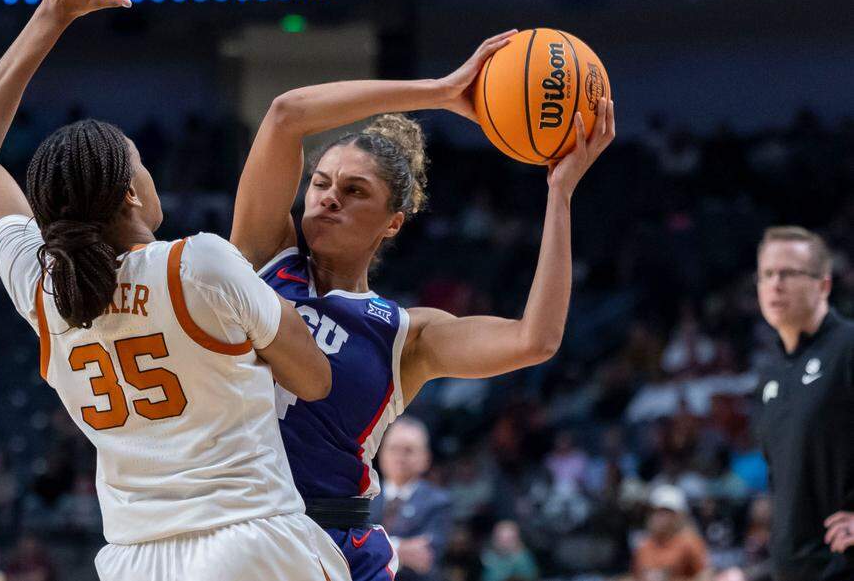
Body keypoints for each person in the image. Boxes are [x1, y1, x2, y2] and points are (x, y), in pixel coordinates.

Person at [0, 0, 347, 579]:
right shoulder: (198, 263)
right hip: (246, 540)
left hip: (134, 560)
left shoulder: (44, 290)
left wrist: (49, 17)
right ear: (131, 192)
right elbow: (315, 379)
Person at [230, 31, 616, 579]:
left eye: (355, 190)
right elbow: (285, 114)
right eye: (320, 183)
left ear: (392, 223)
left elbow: (536, 339)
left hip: (333, 544)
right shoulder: (264, 257)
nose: (329, 197)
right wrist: (439, 92)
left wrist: (560, 194)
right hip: (237, 533)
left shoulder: (406, 336)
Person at [745, 227, 853, 581]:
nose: (775, 285)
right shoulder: (771, 375)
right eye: (767, 274)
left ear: (823, 285)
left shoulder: (848, 348)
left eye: (789, 273)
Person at [369, 417, 450, 580]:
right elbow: (347, 546)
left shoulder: (439, 502)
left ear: (426, 458)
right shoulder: (363, 497)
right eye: (393, 448)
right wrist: (399, 549)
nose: (400, 457)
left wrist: (368, 547)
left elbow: (425, 557)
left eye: (409, 450)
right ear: (380, 452)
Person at [631, 485, 710, 581]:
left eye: (665, 512)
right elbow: (636, 576)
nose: (659, 517)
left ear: (679, 516)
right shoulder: (643, 545)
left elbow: (706, 575)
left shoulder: (689, 543)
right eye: (655, 511)